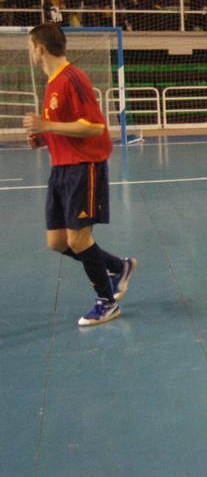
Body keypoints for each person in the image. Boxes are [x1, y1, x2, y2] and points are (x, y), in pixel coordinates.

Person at [21, 23, 136, 327]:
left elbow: (94, 127)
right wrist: (43, 138)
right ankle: (118, 266)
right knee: (58, 242)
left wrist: (47, 127)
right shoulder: (52, 84)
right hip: (60, 170)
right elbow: (64, 128)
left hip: (84, 167)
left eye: (31, 46)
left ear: (39, 47)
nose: (31, 52)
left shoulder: (73, 78)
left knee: (78, 237)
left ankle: (106, 302)